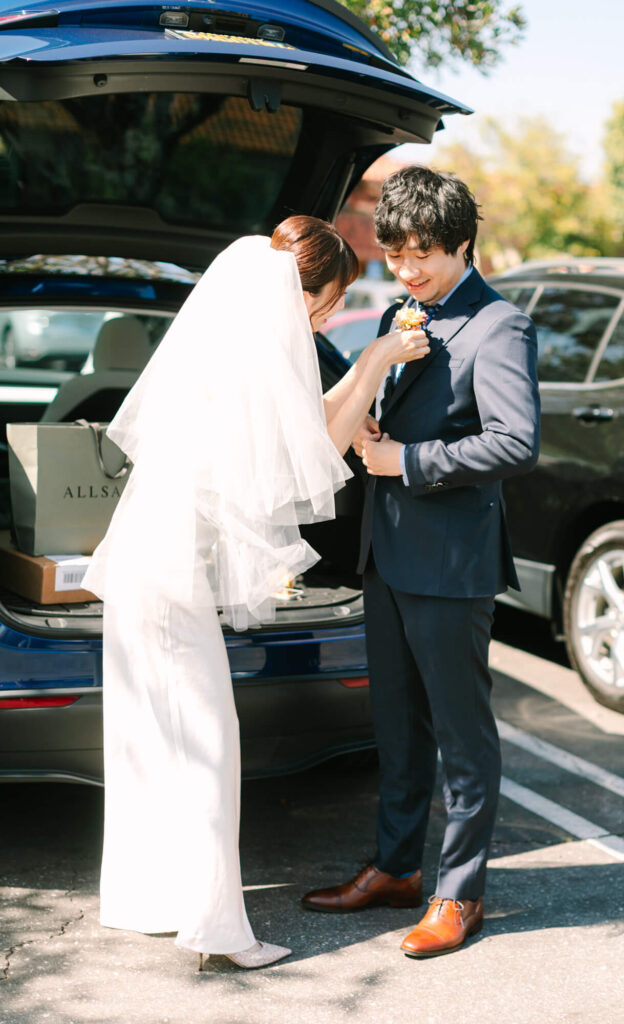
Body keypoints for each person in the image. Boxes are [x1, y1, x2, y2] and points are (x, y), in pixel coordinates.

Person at [82, 216, 429, 970]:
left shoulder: (237, 344)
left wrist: (362, 369)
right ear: (297, 292)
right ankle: (217, 932)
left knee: (155, 739)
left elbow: (304, 428)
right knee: (209, 746)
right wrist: (373, 362)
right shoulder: (255, 352)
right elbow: (297, 468)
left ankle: (154, 900)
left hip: (151, 564)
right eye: (331, 302)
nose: (332, 315)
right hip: (169, 577)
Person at [301, 167, 540, 958]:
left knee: (461, 737)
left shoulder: (498, 325)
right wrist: (370, 421)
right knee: (397, 730)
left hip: (449, 562)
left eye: (423, 256)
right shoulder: (402, 311)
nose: (406, 271)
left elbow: (514, 441)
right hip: (387, 554)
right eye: (395, 255)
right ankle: (398, 867)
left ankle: (458, 893)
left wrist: (407, 459)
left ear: (463, 243)